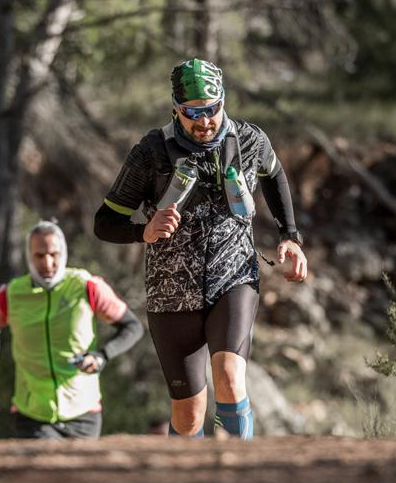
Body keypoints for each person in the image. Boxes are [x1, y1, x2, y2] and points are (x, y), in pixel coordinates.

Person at [93, 58, 307, 439]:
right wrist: (145, 231)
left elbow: (274, 175)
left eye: (213, 109)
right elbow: (104, 223)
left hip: (235, 275)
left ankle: (237, 475)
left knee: (228, 377)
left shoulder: (248, 140)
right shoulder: (151, 152)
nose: (205, 121)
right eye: (194, 113)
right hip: (171, 291)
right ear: (176, 108)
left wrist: (289, 235)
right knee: (190, 414)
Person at [0, 220, 143, 439]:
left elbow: (132, 326)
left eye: (54, 254)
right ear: (29, 256)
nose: (47, 263)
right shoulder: (10, 295)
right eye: (39, 255)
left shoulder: (86, 287)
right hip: (32, 415)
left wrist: (102, 356)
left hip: (83, 412)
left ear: (63, 253)